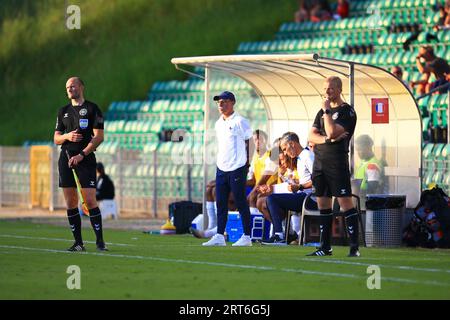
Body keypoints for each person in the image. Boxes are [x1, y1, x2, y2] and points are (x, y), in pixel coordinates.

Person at [307, 76, 360, 257]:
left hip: (337, 162)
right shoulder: (321, 111)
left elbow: (330, 130)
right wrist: (328, 140)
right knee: (323, 203)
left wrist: (328, 113)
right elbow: (312, 136)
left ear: (339, 89)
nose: (326, 92)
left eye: (330, 89)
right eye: (325, 89)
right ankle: (325, 247)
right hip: (320, 162)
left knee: (345, 203)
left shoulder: (347, 112)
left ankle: (354, 247)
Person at [54, 77, 107, 252]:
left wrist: (83, 154)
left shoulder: (93, 109)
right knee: (71, 202)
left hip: (85, 159)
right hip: (66, 159)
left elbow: (99, 137)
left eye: (73, 85)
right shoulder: (63, 111)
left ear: (81, 87)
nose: (70, 89)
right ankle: (78, 243)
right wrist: (67, 137)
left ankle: (100, 242)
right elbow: (56, 138)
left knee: (90, 200)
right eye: (68, 87)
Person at [202, 91, 253, 246]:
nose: (221, 105)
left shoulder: (240, 121)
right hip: (221, 167)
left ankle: (247, 236)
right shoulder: (218, 123)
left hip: (238, 167)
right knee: (220, 202)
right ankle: (219, 235)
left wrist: (246, 164)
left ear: (232, 103)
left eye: (224, 102)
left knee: (240, 201)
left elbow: (250, 142)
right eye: (219, 102)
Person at [261, 132, 314, 246]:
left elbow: (319, 180)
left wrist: (299, 186)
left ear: (292, 144)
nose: (285, 153)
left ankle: (280, 235)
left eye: (285, 149)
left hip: (311, 198)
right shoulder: (301, 157)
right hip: (304, 195)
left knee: (272, 199)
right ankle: (285, 234)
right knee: (270, 199)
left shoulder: (307, 156)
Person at [354, 135, 384, 201]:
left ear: (368, 148)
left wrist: (356, 191)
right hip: (360, 202)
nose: (357, 153)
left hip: (365, 203)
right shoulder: (362, 162)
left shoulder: (372, 165)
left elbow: (372, 189)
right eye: (356, 150)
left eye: (360, 149)